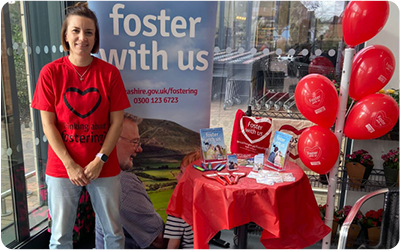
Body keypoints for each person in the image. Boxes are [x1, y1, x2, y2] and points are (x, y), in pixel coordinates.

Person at [30, 2, 129, 248]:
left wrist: (99, 160)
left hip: (103, 167)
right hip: (62, 167)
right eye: (75, 31)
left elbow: (117, 123)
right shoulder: (50, 73)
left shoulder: (110, 73)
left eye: (89, 32)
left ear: (95, 38)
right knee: (60, 236)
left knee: (114, 233)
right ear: (65, 35)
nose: (82, 38)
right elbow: (48, 125)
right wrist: (70, 165)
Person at [95, 113, 167, 249]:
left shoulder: (102, 175)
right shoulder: (123, 184)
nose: (139, 149)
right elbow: (159, 240)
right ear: (112, 139)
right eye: (134, 142)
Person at [164, 149, 201, 249]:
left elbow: (173, 244)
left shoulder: (178, 207)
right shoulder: (211, 204)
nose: (176, 177)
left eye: (181, 172)